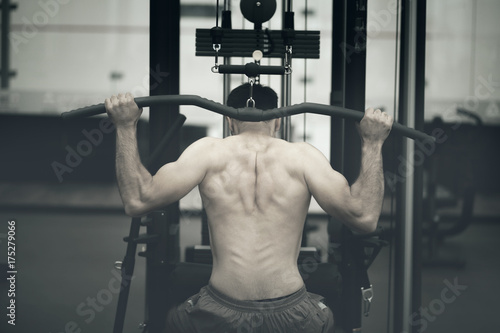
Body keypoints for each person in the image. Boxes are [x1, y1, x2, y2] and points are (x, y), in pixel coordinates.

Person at [104, 84, 393, 333]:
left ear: (230, 120)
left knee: (173, 320)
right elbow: (364, 217)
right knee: (325, 319)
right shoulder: (303, 157)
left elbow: (138, 200)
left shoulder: (208, 152)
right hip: (295, 313)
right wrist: (373, 143)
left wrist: (125, 126)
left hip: (217, 313)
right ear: (278, 121)